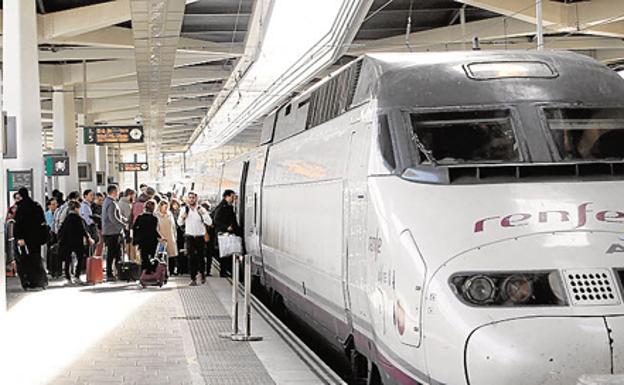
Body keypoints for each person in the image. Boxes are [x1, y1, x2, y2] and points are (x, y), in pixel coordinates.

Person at [13, 187, 48, 289]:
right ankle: (41, 281)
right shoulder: (36, 206)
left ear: (21, 195)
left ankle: (29, 281)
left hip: (25, 239)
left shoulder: (21, 208)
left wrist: (19, 237)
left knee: (25, 260)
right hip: (36, 239)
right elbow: (42, 221)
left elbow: (18, 224)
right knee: (36, 258)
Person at [177, 192, 212, 286]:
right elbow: (179, 223)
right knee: (191, 258)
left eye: (193, 198)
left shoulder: (201, 209)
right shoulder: (184, 209)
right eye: (190, 198)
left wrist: (203, 215)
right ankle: (193, 278)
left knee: (201, 257)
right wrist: (182, 217)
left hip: (200, 237)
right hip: (189, 236)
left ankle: (202, 274)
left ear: (196, 199)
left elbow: (209, 222)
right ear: (187, 199)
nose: (191, 199)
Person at [58, 201, 93, 285]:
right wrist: (89, 238)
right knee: (80, 258)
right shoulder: (78, 218)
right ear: (76, 208)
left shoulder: (66, 219)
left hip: (67, 242)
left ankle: (68, 278)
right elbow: (83, 230)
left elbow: (61, 231)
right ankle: (77, 276)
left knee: (67, 260)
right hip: (77, 242)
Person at [213, 190, 240, 277]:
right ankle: (223, 272)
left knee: (228, 253)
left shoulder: (228, 206)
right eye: (232, 197)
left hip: (228, 233)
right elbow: (216, 220)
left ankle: (227, 272)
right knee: (225, 253)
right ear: (226, 197)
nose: (233, 199)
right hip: (223, 234)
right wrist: (226, 227)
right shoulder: (222, 207)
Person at [102, 185, 125, 281]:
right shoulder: (111, 203)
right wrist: (123, 225)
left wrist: (124, 220)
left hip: (109, 231)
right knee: (113, 253)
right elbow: (113, 218)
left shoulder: (106, 202)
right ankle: (111, 273)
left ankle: (116, 272)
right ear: (114, 192)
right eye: (117, 191)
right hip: (112, 232)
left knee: (115, 253)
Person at [132, 200, 160, 273]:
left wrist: (135, 238)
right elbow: (154, 230)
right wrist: (160, 237)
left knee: (144, 256)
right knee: (152, 256)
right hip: (152, 240)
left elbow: (134, 228)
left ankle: (144, 271)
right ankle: (151, 270)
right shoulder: (154, 218)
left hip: (142, 240)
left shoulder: (140, 217)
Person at [155, 200, 178, 276]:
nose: (166, 209)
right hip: (161, 237)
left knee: (172, 254)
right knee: (161, 254)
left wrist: (175, 235)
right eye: (164, 207)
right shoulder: (156, 215)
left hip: (170, 236)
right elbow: (156, 228)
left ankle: (171, 270)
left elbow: (173, 226)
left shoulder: (169, 214)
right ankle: (161, 271)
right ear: (160, 207)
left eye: (167, 207)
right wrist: (158, 237)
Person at [170, 198, 188, 275]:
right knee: (174, 252)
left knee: (181, 251)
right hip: (173, 234)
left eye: (176, 204)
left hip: (180, 233)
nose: (175, 206)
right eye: (174, 204)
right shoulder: (169, 213)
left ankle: (181, 268)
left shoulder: (181, 212)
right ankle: (174, 268)